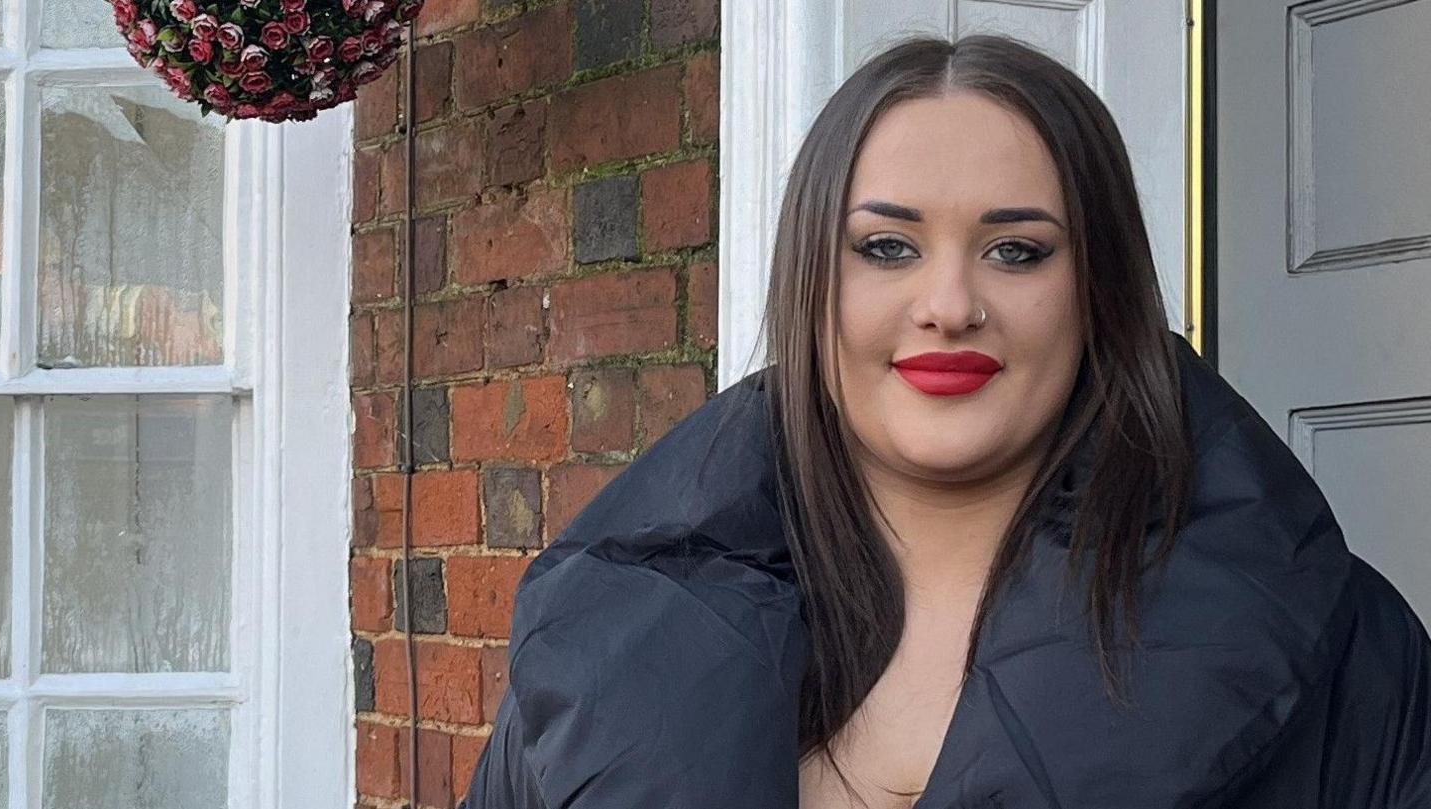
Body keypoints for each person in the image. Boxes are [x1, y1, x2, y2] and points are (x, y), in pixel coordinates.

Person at [459, 34, 1431, 808]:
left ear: (1099, 289)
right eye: (887, 246)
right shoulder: (615, 636)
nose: (950, 302)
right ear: (813, 283)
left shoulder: (1342, 642)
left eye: (1016, 251)